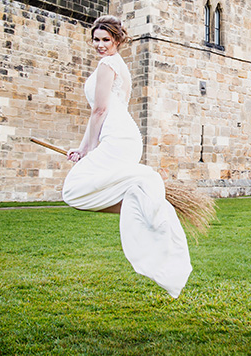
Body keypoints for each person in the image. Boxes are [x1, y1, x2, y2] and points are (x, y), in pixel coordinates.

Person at [62, 15, 192, 298]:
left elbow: (99, 111)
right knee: (79, 190)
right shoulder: (119, 66)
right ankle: (146, 202)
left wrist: (90, 148)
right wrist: (83, 147)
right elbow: (102, 111)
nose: (99, 45)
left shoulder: (108, 65)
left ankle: (149, 192)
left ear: (118, 40)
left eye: (105, 40)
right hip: (122, 137)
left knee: (72, 190)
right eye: (95, 40)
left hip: (118, 138)